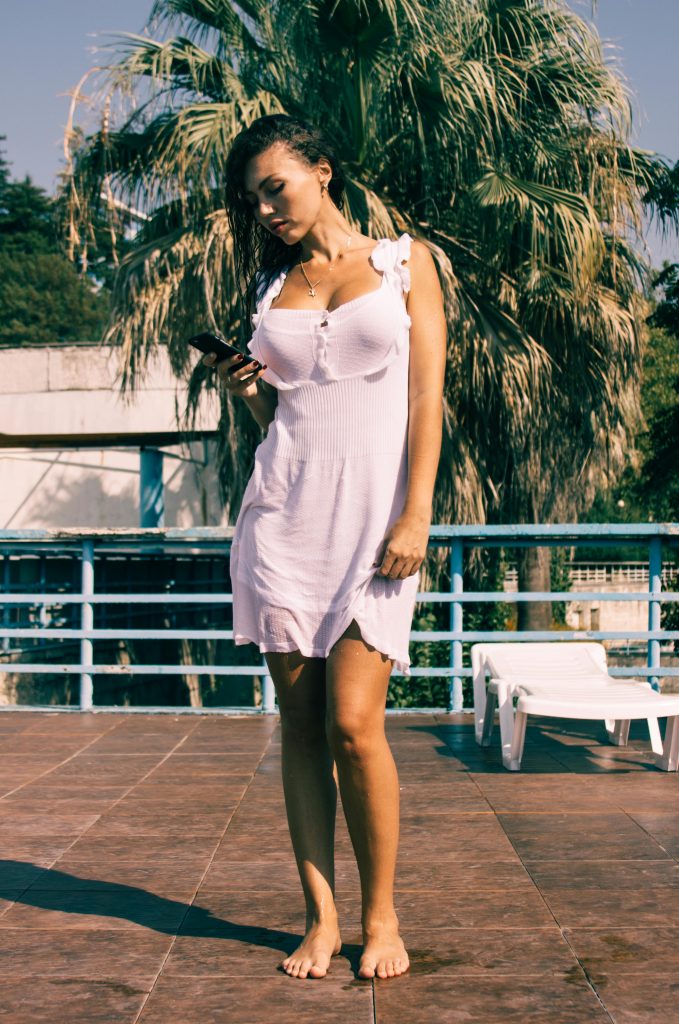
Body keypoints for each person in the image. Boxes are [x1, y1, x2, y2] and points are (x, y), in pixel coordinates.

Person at [203, 115, 446, 981]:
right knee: (300, 728)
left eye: (276, 186)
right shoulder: (271, 292)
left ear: (321, 171)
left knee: (353, 725)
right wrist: (248, 393)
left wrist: (414, 513)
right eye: (253, 199)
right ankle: (321, 919)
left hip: (375, 522)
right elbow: (286, 419)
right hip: (283, 516)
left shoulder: (403, 264)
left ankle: (381, 919)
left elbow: (426, 397)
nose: (266, 208)